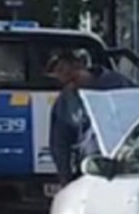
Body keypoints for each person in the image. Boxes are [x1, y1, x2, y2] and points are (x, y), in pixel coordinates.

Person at [47, 51, 132, 185]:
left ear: (80, 64)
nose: (72, 85)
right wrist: (65, 178)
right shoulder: (66, 101)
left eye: (73, 77)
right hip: (91, 169)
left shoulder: (118, 84)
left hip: (124, 165)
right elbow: (59, 143)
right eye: (65, 81)